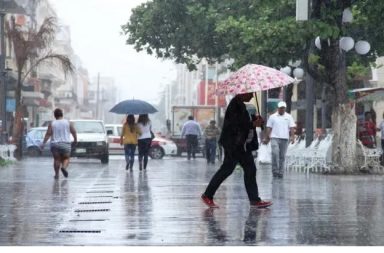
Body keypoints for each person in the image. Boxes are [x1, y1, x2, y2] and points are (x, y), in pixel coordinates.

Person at [201, 93, 272, 209]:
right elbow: (236, 125)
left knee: (250, 169)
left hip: (242, 145)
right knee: (227, 169)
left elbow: (245, 123)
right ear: (243, 93)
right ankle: (207, 195)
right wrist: (252, 123)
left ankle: (255, 200)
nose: (252, 96)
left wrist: (256, 120)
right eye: (250, 93)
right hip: (233, 144)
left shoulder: (241, 105)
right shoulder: (235, 105)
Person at [41, 108, 77, 180]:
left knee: (57, 159)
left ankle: (57, 175)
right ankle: (63, 167)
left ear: (55, 115)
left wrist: (43, 143)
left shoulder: (52, 123)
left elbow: (48, 134)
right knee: (66, 158)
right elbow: (73, 131)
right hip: (66, 144)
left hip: (55, 144)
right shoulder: (68, 122)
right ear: (62, 115)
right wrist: (75, 140)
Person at [262, 101, 296, 178]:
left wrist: (292, 137)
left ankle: (281, 172)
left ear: (285, 108)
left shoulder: (289, 117)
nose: (282, 109)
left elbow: (291, 127)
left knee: (282, 156)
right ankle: (275, 171)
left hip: (285, 138)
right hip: (274, 138)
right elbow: (269, 128)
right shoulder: (272, 117)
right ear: (278, 108)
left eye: (283, 108)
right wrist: (267, 137)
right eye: (280, 108)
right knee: (275, 153)